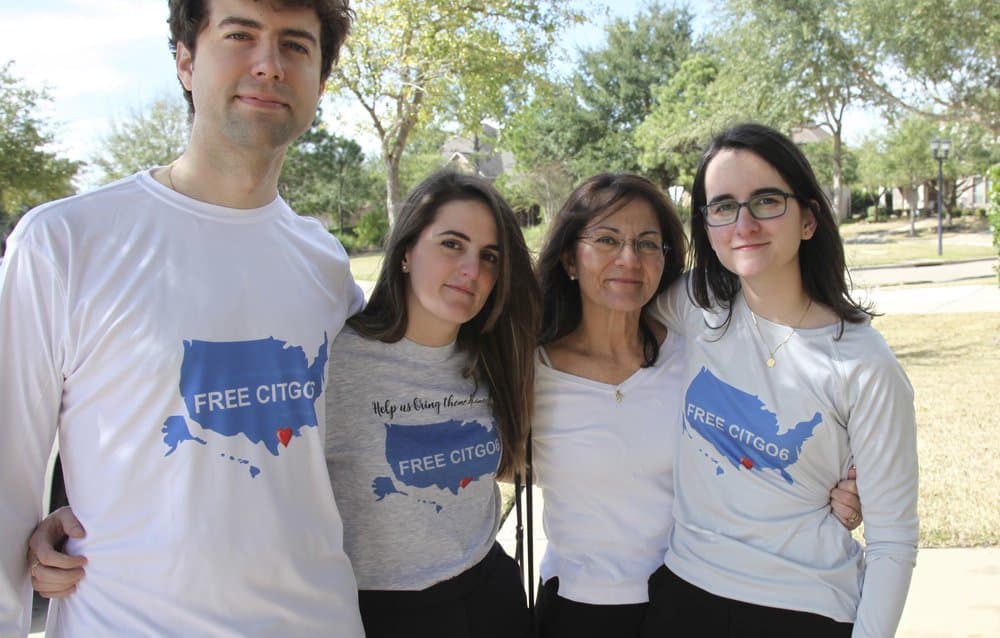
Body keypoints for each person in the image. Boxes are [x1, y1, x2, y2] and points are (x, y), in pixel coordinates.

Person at [0, 1, 367, 635]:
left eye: (296, 46)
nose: (269, 65)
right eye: (240, 36)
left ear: (321, 82)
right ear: (185, 61)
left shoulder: (326, 264)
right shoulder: (64, 244)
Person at [529, 173, 864, 638]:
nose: (629, 258)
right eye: (607, 239)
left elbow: (769, 435)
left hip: (696, 600)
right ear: (569, 256)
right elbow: (504, 462)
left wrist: (831, 488)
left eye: (649, 244)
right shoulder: (532, 370)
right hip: (579, 607)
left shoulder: (698, 351)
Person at [641, 123, 918, 637]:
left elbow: (893, 540)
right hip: (685, 593)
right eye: (723, 206)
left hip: (804, 605)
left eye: (766, 200)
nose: (743, 223)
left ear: (809, 218)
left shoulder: (864, 365)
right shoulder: (696, 305)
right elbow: (606, 304)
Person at [324, 170, 539, 637]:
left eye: (489, 257)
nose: (472, 271)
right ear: (405, 253)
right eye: (451, 244)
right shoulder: (335, 361)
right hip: (383, 612)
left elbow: (509, 465)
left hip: (491, 595)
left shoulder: (492, 357)